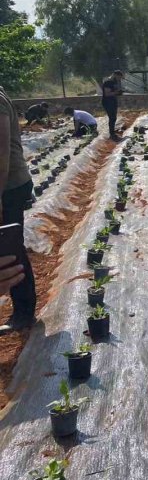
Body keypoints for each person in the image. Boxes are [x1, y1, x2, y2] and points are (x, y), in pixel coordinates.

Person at [0, 86, 36, 335]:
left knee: (9, 248)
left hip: (9, 185)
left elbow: (1, 152)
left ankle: (23, 312)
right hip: (8, 184)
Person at [101, 70, 124, 139]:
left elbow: (114, 91)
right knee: (112, 118)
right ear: (115, 75)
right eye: (119, 77)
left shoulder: (114, 82)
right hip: (107, 102)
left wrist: (119, 92)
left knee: (114, 118)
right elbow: (107, 94)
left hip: (113, 101)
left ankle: (112, 132)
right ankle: (112, 134)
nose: (119, 79)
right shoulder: (108, 82)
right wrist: (116, 92)